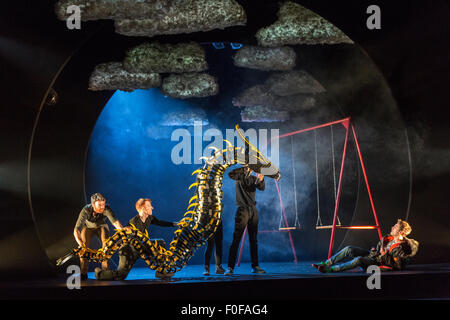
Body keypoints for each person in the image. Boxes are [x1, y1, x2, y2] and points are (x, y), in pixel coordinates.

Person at [94, 198, 177, 280]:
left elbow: (159, 222)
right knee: (121, 275)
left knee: (160, 243)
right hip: (129, 249)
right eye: (149, 206)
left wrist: (174, 224)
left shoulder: (149, 218)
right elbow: (129, 239)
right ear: (143, 208)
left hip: (141, 246)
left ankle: (160, 271)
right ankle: (100, 274)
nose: (152, 207)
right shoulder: (134, 222)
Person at [312, 219, 419, 273]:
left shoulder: (401, 248)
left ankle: (330, 269)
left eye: (395, 227)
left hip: (378, 263)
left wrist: (384, 255)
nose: (392, 227)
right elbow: (378, 250)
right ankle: (327, 263)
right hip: (373, 256)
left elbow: (398, 266)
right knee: (349, 248)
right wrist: (375, 250)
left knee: (359, 260)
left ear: (400, 232)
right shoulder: (388, 238)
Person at [225, 165, 266, 275]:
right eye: (248, 166)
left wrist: (261, 179)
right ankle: (230, 267)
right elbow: (230, 174)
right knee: (236, 239)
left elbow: (262, 188)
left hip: (253, 211)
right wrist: (244, 169)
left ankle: (255, 266)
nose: (250, 169)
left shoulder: (253, 179)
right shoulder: (238, 177)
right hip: (242, 210)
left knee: (254, 240)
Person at [74, 193, 124, 279]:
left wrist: (123, 232)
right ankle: (83, 273)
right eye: (99, 205)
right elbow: (76, 229)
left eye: (103, 204)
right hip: (88, 227)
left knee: (106, 246)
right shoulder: (86, 210)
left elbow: (115, 222)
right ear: (93, 205)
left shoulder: (106, 209)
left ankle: (105, 272)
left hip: (101, 226)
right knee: (83, 247)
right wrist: (80, 243)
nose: (102, 207)